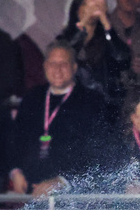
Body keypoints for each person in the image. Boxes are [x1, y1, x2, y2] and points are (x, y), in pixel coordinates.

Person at [8, 41, 108, 195]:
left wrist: (62, 181)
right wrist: (15, 171)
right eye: (53, 64)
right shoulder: (32, 98)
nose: (57, 70)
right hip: (30, 188)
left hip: (71, 193)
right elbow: (15, 139)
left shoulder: (92, 101)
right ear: (45, 66)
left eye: (63, 64)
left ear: (74, 67)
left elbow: (96, 154)